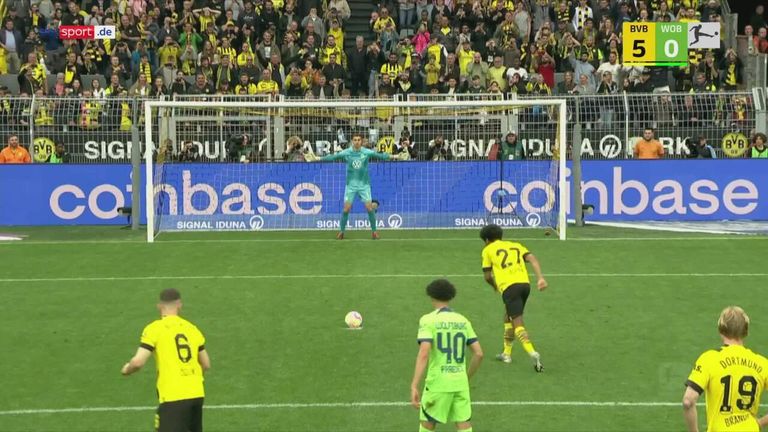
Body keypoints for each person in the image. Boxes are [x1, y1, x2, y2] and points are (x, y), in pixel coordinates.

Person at [121, 288, 211, 432]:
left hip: (173, 396)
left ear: (159, 306)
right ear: (180, 305)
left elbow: (138, 362)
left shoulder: (154, 329)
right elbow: (206, 364)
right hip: (197, 394)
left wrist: (127, 369)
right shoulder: (192, 329)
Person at [410, 279, 483, 432]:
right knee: (463, 424)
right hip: (460, 383)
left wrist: (414, 385)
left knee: (428, 423)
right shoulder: (463, 321)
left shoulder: (428, 320)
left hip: (438, 383)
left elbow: (424, 353)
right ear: (450, 296)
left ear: (431, 296)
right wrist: (466, 377)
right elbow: (478, 354)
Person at [682, 306, 768, 432]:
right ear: (745, 331)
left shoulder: (709, 359)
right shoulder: (762, 363)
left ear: (721, 330)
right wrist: (760, 423)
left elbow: (688, 401)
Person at [308, 132, 405, 240]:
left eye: (359, 140)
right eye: (355, 140)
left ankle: (374, 232)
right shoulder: (347, 152)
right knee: (346, 209)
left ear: (361, 141)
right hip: (351, 186)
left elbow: (380, 156)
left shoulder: (366, 152)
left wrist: (396, 156)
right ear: (352, 141)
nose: (357, 142)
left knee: (369, 208)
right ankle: (341, 232)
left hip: (364, 185)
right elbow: (333, 157)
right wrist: (317, 158)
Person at [479, 224, 547, 371]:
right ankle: (506, 353)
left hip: (510, 287)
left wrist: (495, 286)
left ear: (486, 240)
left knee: (517, 322)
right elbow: (532, 259)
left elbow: (487, 276)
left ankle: (532, 353)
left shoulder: (487, 250)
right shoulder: (516, 245)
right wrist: (540, 278)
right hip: (525, 285)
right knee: (507, 316)